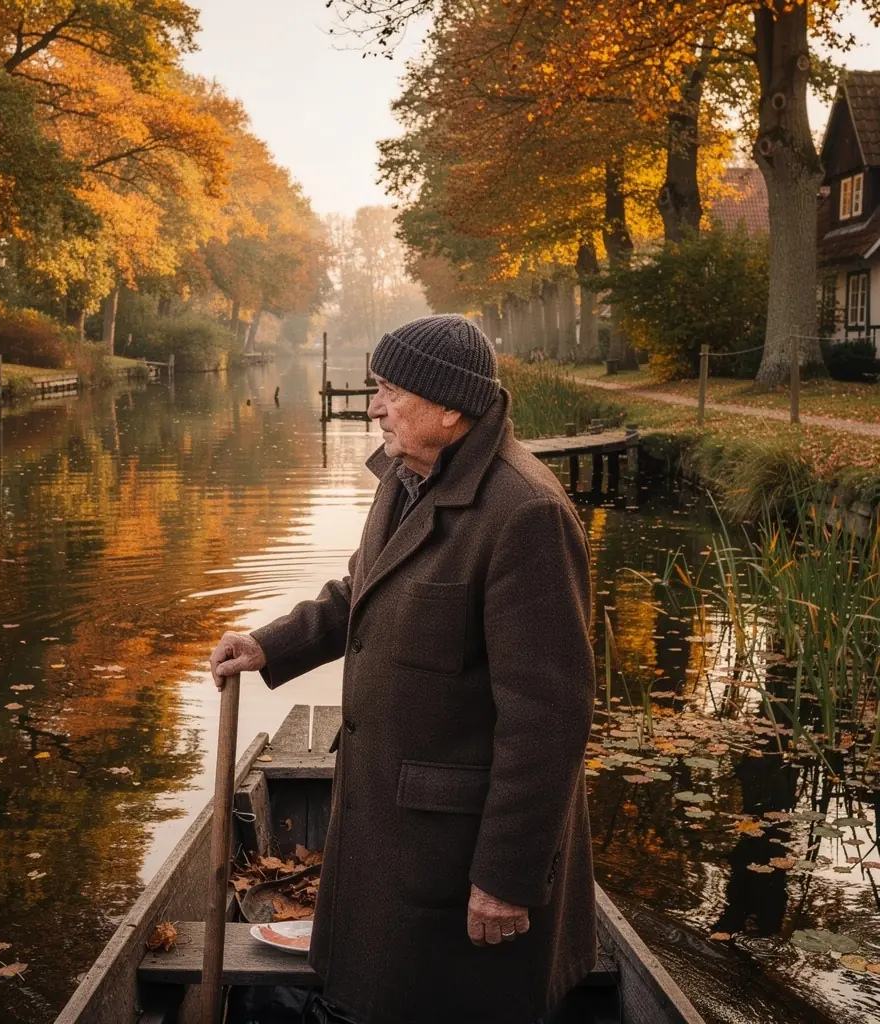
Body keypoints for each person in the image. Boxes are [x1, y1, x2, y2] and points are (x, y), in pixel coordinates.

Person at [211, 315, 596, 1024]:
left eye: (390, 390)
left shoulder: (526, 514)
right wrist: (272, 644)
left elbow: (549, 720)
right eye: (375, 388)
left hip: (455, 850)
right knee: (374, 998)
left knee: (451, 1006)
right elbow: (364, 588)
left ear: (451, 407)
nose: (373, 406)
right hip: (389, 828)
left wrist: (506, 879)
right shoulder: (406, 474)